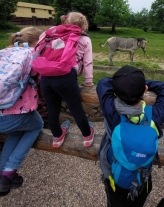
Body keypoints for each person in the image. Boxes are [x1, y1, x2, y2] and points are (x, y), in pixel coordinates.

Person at [96, 65, 164, 207]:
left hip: (117, 173)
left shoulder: (112, 112)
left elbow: (103, 82)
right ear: (145, 90)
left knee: (115, 201)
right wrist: (142, 85)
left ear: (115, 94)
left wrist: (124, 86)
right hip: (142, 174)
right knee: (138, 199)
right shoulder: (155, 115)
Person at [39, 12, 95, 149]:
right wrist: (88, 80)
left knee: (52, 109)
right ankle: (87, 136)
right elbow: (88, 62)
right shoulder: (84, 39)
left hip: (45, 77)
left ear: (65, 22)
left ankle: (57, 137)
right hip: (66, 76)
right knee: (75, 108)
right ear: (83, 25)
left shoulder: (50, 34)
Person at [0, 27, 44, 196]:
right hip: (11, 115)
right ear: (37, 42)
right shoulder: (32, 55)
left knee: (17, 132)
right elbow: (42, 78)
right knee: (36, 124)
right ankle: (10, 170)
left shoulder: (5, 52)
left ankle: (2, 176)